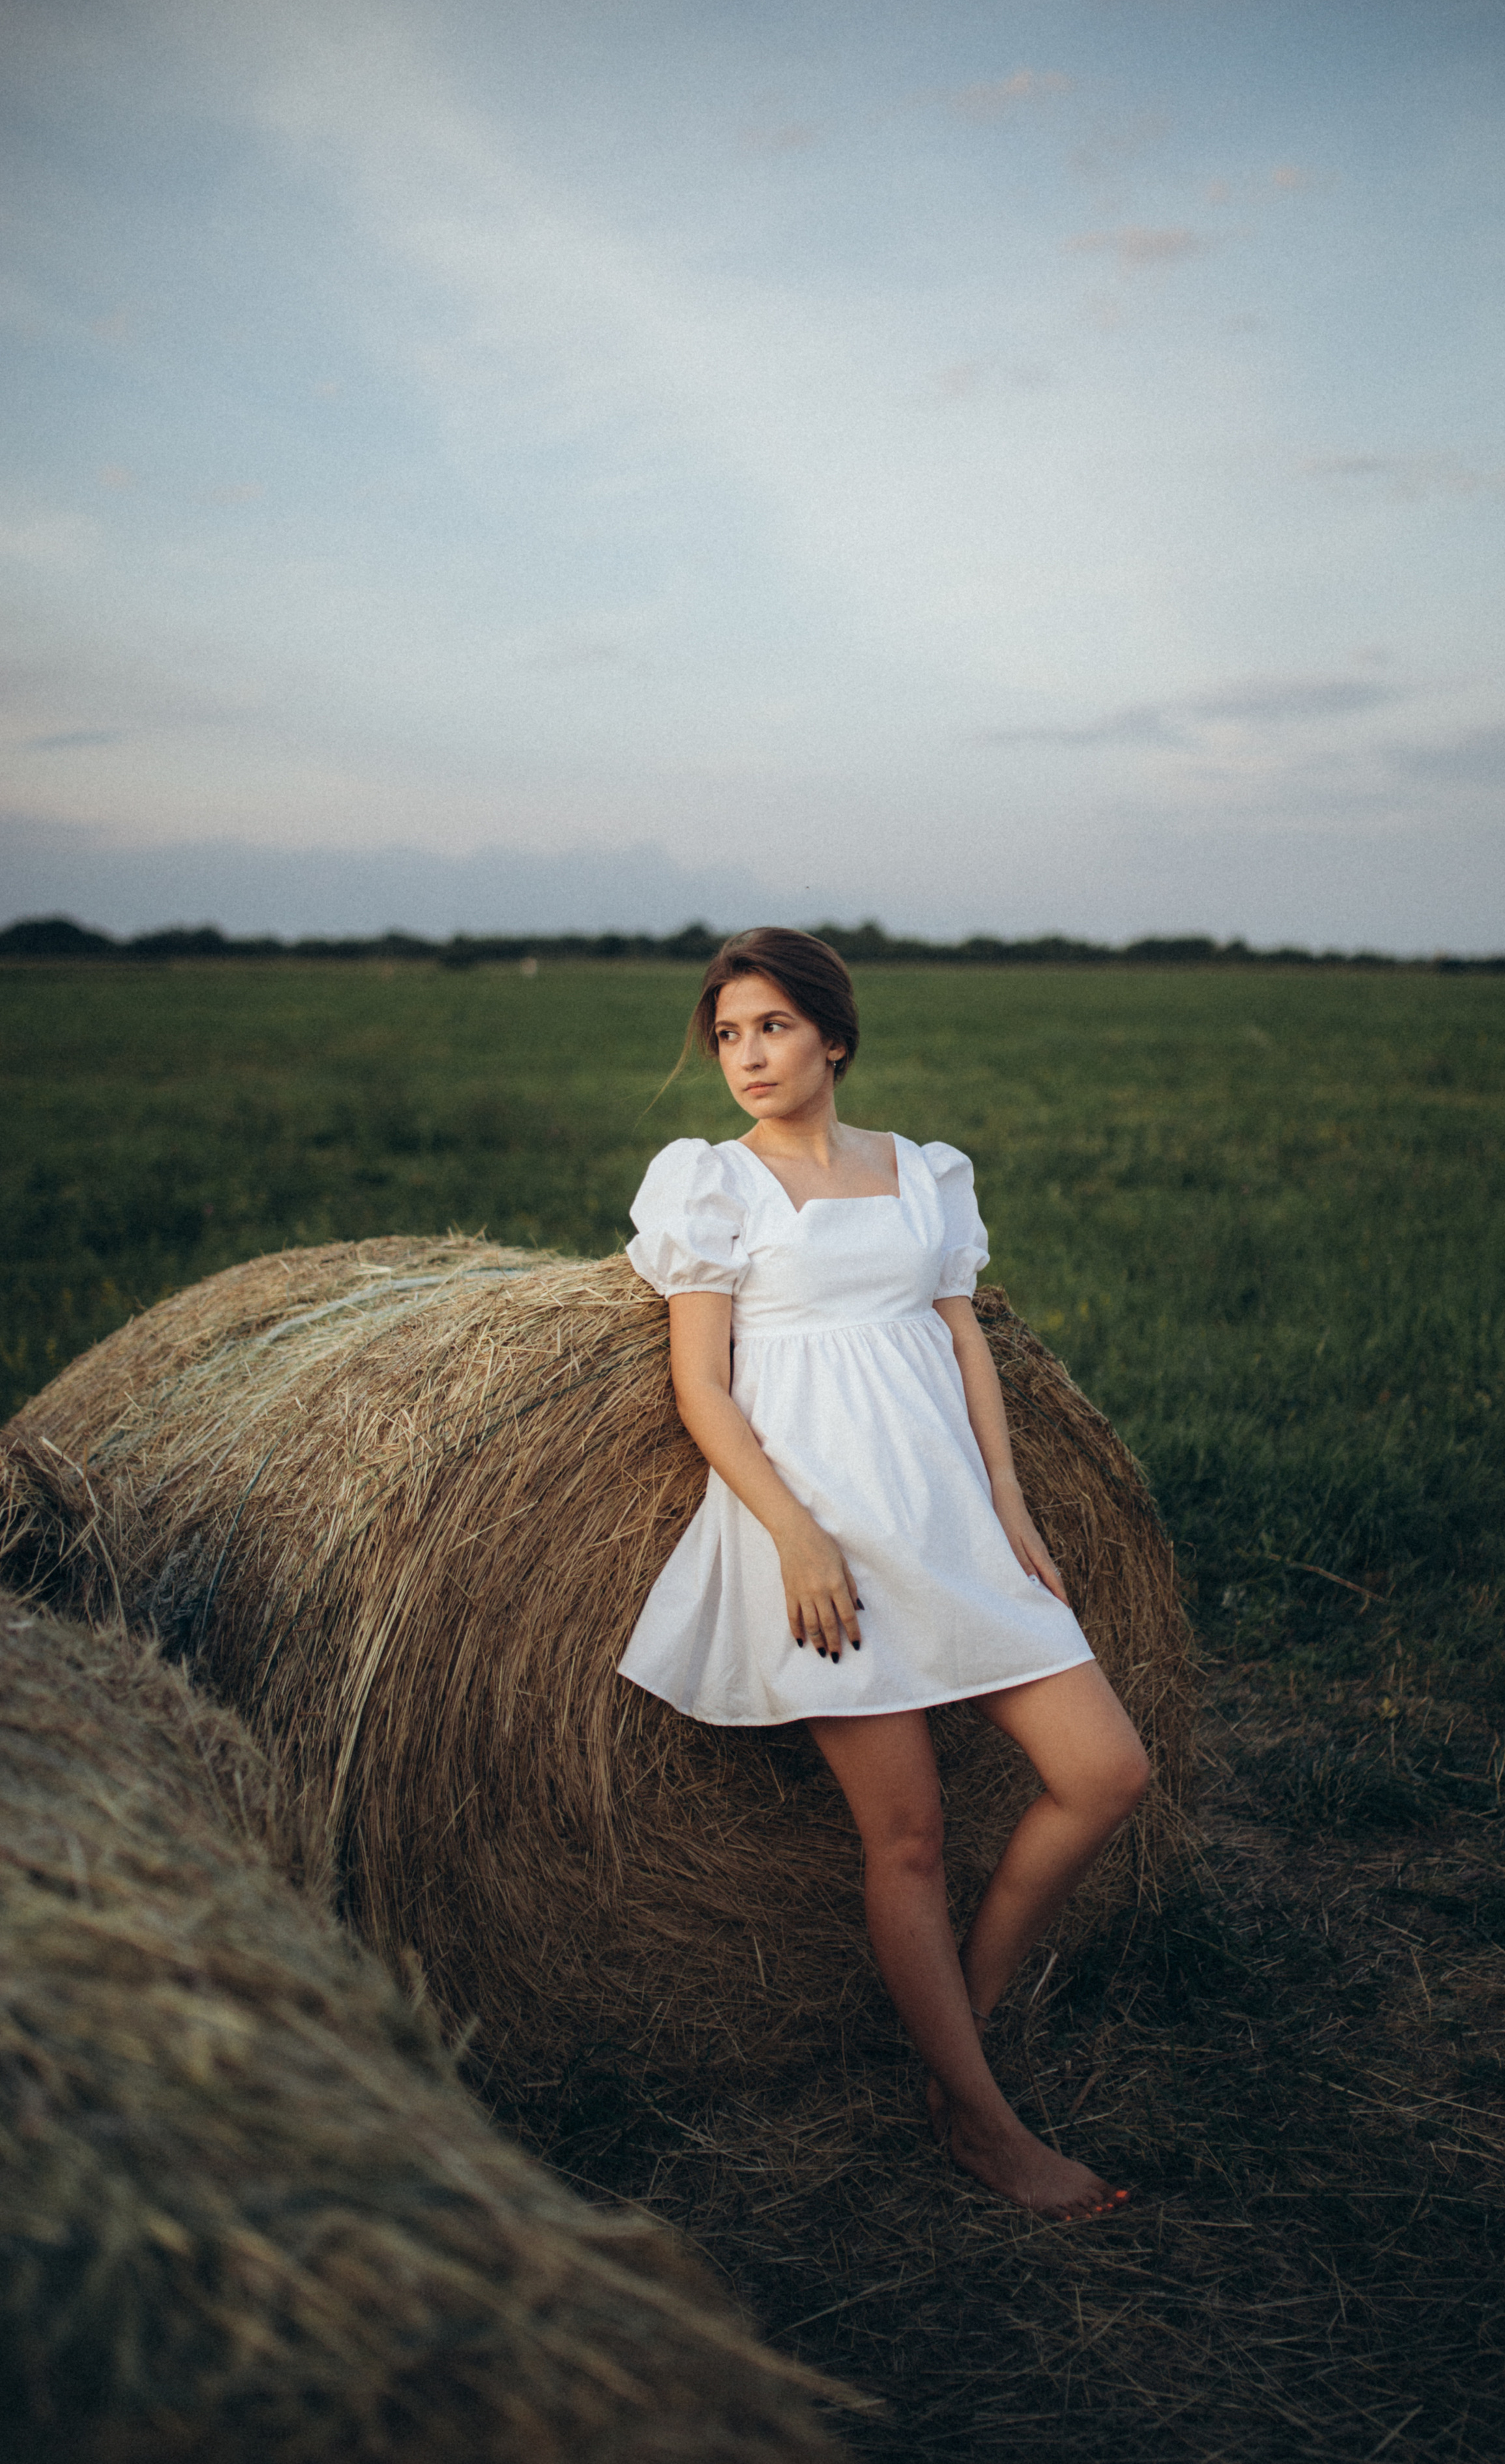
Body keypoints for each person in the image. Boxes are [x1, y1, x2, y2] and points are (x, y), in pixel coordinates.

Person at [621, 927, 1150, 2219]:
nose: (744, 1055)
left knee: (1105, 1773)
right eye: (729, 1034)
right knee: (904, 1842)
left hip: (948, 1520)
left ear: (832, 1038)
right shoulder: (708, 1186)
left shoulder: (923, 1174)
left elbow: (959, 1337)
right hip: (816, 1541)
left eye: (771, 1028)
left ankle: (953, 2038)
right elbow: (701, 1386)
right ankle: (984, 2125)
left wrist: (1011, 1503)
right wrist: (794, 1537)